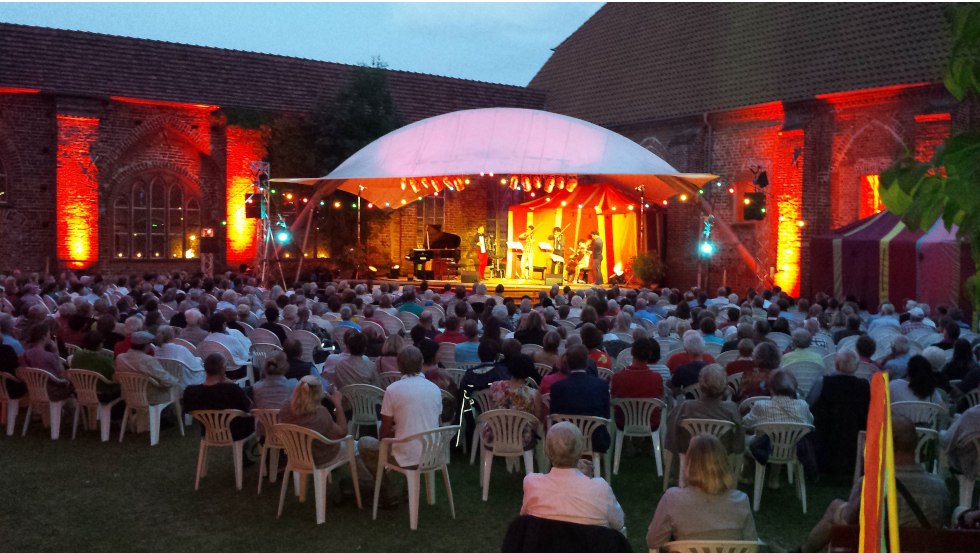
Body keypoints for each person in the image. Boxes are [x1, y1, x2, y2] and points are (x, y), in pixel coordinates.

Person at [791, 414, 950, 553]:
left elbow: (847, 522)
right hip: (922, 547)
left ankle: (801, 552)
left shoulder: (873, 484)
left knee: (836, 508)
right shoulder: (940, 487)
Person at [358, 346, 443, 505]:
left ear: (399, 366)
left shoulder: (392, 390)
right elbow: (433, 422)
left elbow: (383, 435)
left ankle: (388, 490)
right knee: (400, 441)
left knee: (364, 443)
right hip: (433, 452)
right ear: (421, 363)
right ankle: (397, 487)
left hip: (408, 454)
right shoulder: (435, 389)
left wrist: (394, 431)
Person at [646, 434, 757, 550]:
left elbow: (653, 541)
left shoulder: (673, 499)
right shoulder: (741, 500)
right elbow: (752, 545)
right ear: (724, 463)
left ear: (690, 464)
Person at [520, 422, 624, 530]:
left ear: (546, 451)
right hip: (589, 546)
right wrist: (586, 479)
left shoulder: (532, 484)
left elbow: (524, 519)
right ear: (580, 452)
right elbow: (619, 523)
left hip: (543, 546)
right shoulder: (600, 489)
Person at [664, 364, 744, 485]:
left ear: (701, 385)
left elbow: (671, 434)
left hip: (690, 451)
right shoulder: (731, 409)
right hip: (721, 453)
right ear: (724, 386)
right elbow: (739, 440)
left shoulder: (685, 407)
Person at [807, 349, 871, 478]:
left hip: (825, 436)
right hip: (853, 438)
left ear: (836, 364)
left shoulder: (823, 382)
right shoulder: (865, 386)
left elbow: (808, 404)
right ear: (857, 367)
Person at [549, 344, 611, 455]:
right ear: (587, 362)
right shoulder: (600, 385)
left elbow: (553, 415)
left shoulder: (557, 387)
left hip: (565, 439)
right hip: (594, 439)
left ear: (567, 363)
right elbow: (606, 415)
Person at [182, 353, 255, 442]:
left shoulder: (190, 392)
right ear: (223, 369)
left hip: (208, 432)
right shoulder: (232, 390)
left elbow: (188, 411)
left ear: (205, 368)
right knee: (250, 391)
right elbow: (250, 407)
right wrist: (231, 383)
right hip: (237, 432)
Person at [278, 375, 349, 465]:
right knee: (356, 445)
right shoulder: (320, 414)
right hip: (321, 457)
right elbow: (342, 433)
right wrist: (338, 404)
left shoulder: (285, 407)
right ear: (319, 394)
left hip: (295, 455)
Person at [483, 354, 542, 451]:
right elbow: (537, 418)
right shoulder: (534, 394)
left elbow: (491, 409)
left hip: (494, 433)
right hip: (521, 438)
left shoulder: (494, 386)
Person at [610, 337, 665, 432]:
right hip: (651, 423)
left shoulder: (618, 377)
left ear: (631, 353)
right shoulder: (656, 378)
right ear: (650, 355)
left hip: (623, 422)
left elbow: (613, 398)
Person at [116, 331, 180, 405]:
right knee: (176, 386)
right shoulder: (148, 360)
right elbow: (166, 381)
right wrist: (175, 381)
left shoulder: (120, 358)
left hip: (128, 396)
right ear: (146, 345)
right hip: (150, 397)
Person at [69, 330, 119, 402]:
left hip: (79, 392)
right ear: (100, 344)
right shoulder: (105, 360)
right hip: (100, 395)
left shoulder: (77, 355)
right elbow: (113, 377)